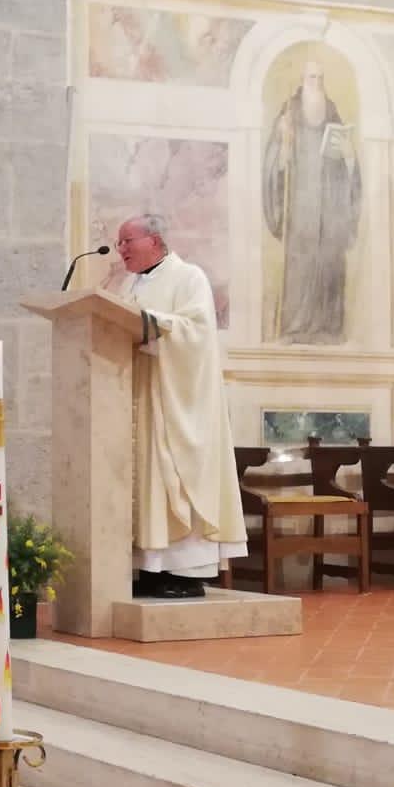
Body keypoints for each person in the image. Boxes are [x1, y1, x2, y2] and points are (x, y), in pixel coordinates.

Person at [115, 216, 249, 599]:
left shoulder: (189, 277)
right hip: (141, 399)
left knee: (176, 476)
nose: (121, 249)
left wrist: (148, 324)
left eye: (127, 241)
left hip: (177, 401)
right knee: (148, 483)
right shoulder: (128, 285)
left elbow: (196, 332)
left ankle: (187, 572)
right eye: (119, 242)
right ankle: (151, 568)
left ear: (154, 241)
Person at [262, 60, 362, 345]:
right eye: (311, 78)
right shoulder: (289, 114)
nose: (316, 83)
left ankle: (328, 328)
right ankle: (294, 328)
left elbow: (349, 172)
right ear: (302, 80)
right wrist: (283, 146)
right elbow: (273, 166)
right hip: (300, 209)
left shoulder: (332, 115)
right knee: (300, 265)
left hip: (330, 210)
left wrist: (349, 156)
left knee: (330, 264)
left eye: (320, 78)